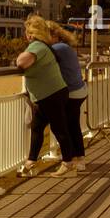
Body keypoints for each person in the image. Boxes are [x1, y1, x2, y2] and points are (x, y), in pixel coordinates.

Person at [16, 15, 79, 177]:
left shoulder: (37, 46)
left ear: (30, 34)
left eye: (26, 32)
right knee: (37, 127)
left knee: (59, 129)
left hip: (51, 95)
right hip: (49, 94)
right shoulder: (43, 46)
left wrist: (17, 59)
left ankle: (68, 163)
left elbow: (22, 63)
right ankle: (31, 161)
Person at [47, 24, 90, 173]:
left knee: (65, 126)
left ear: (55, 36)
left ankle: (73, 159)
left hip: (72, 92)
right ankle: (77, 157)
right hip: (79, 90)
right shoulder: (65, 47)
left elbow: (38, 57)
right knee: (72, 125)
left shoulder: (57, 48)